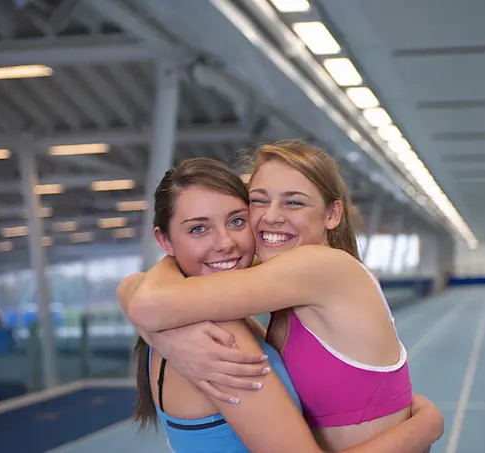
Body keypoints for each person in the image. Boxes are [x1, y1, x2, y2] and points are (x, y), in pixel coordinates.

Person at [121, 143, 441, 452]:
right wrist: (426, 426)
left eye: (293, 202)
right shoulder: (219, 328)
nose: (271, 216)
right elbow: (142, 297)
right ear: (164, 240)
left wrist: (162, 334)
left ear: (332, 214)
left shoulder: (316, 268)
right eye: (259, 201)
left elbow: (144, 298)